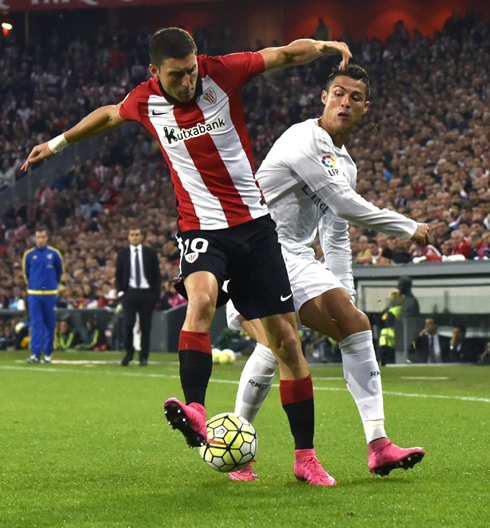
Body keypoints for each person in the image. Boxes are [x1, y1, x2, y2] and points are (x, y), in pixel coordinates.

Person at [23, 27, 352, 485]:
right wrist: (57, 144)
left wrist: (323, 47)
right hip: (200, 229)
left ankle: (306, 457)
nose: (188, 82)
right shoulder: (145, 99)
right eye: (177, 76)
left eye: (192, 71)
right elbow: (107, 116)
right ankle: (195, 410)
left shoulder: (222, 73)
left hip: (255, 228)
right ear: (155, 73)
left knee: (288, 344)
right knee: (199, 301)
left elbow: (279, 54)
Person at [225, 64, 429, 481]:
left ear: (365, 108)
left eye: (355, 97)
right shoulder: (303, 139)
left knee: (353, 324)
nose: (345, 102)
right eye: (338, 93)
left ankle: (379, 445)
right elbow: (343, 204)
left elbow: (336, 236)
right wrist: (409, 227)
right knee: (277, 347)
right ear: (324, 97)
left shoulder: (345, 164)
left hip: (292, 255)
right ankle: (241, 450)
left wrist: (344, 289)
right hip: (253, 247)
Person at [115, 227, 161, 366]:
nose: (135, 237)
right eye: (132, 234)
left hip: (147, 293)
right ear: (128, 237)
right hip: (130, 293)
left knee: (146, 326)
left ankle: (144, 357)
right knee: (128, 324)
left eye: (137, 234)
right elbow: (118, 275)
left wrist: (155, 294)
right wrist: (121, 292)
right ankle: (129, 353)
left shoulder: (150, 253)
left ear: (142, 237)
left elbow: (156, 275)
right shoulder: (122, 254)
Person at [22, 228, 64, 364]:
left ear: (47, 238)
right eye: (38, 237)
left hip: (50, 295)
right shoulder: (29, 255)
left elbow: (59, 272)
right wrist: (34, 286)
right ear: (35, 238)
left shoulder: (54, 254)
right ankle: (35, 353)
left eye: (43, 237)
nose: (40, 239)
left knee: (50, 324)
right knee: (36, 324)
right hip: (34, 295)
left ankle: (48, 353)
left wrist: (52, 285)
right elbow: (26, 274)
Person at [378, 290, 403, 366]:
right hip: (389, 339)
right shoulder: (393, 310)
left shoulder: (393, 311)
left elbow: (382, 321)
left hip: (389, 340)